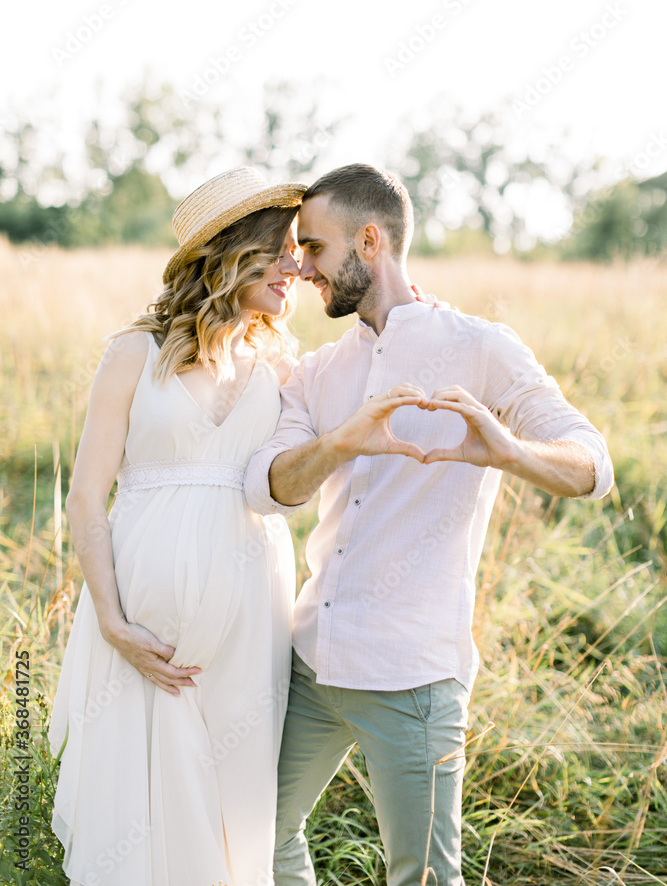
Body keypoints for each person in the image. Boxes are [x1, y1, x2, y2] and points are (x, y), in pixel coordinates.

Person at [244, 163, 614, 886]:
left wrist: (510, 453)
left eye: (313, 248)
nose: (299, 265)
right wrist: (339, 442)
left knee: (422, 878)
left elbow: (591, 464)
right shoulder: (317, 371)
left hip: (411, 677)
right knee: (258, 837)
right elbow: (270, 490)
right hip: (312, 660)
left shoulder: (482, 348)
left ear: (370, 241)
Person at [49, 167, 307, 886]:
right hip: (141, 625)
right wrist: (109, 619)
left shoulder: (280, 363)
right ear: (230, 251)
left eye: (298, 249)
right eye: (280, 248)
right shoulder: (134, 352)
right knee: (143, 811)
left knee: (235, 799)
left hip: (254, 619)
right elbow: (86, 496)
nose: (296, 264)